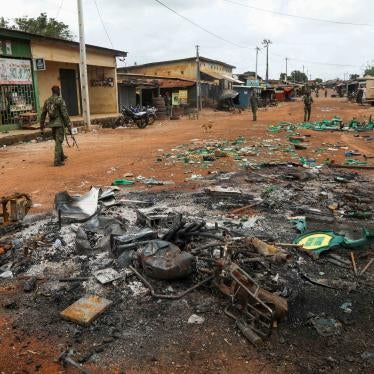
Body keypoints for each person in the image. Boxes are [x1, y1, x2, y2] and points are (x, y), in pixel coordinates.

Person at [40, 86, 71, 166]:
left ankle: (61, 156)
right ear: (58, 91)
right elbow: (65, 113)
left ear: (52, 91)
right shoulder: (60, 100)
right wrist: (69, 124)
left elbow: (43, 114)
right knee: (58, 141)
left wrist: (41, 125)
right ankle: (57, 161)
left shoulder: (47, 101)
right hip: (59, 124)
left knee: (57, 140)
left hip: (52, 124)